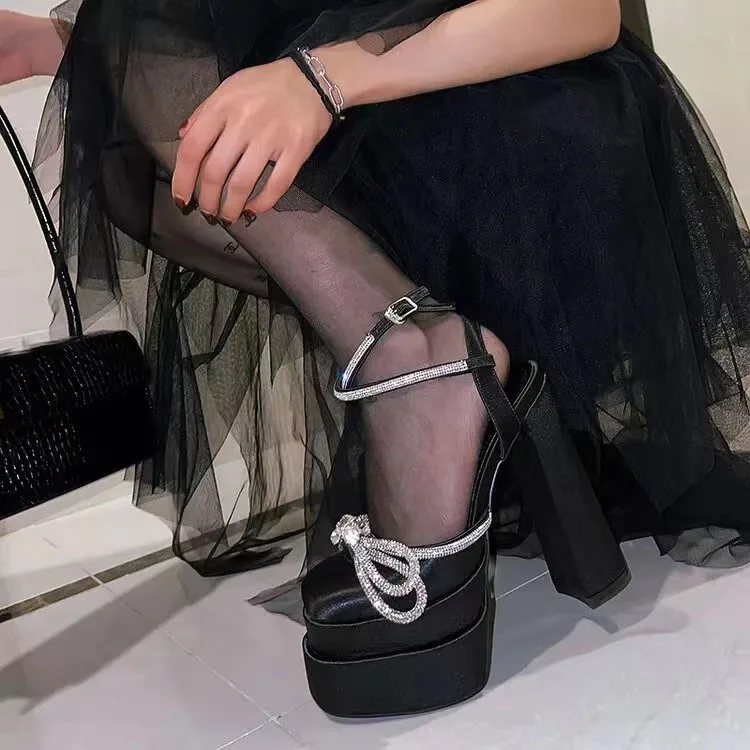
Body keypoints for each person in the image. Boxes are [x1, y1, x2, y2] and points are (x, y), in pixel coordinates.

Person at [2, 0, 750, 717]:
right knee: (140, 62)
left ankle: (417, 357)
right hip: (419, 143)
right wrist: (59, 43)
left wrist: (321, 81)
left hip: (544, 143)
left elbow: (583, 11)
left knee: (144, 23)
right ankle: (423, 342)